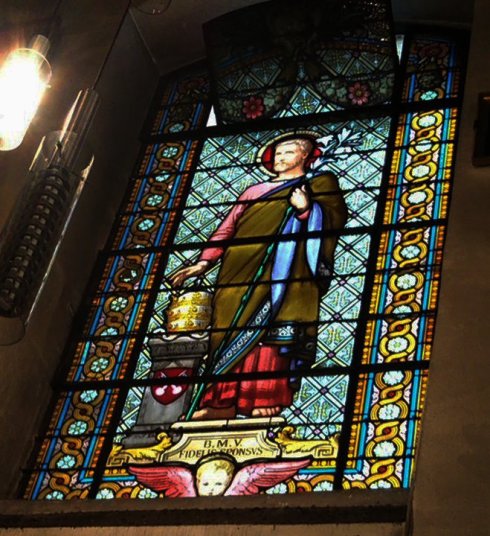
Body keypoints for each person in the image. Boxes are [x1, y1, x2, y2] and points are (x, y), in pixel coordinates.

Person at [170, 134, 347, 420]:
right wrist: (203, 263)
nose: (279, 158)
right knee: (227, 331)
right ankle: (220, 401)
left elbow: (335, 219)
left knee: (270, 333)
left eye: (287, 152)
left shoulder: (319, 184)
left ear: (305, 156)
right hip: (237, 271)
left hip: (287, 270)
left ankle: (266, 398)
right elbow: (227, 228)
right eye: (276, 153)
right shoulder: (253, 191)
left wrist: (306, 210)